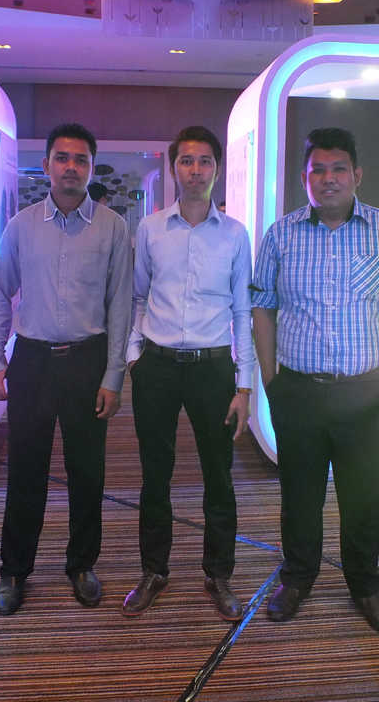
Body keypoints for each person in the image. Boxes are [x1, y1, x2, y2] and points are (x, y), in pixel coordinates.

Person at [250, 127, 379, 635]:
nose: (328, 179)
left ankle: (365, 586)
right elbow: (262, 308)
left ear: (357, 175)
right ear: (304, 178)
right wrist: (271, 381)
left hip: (367, 392)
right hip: (298, 390)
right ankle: (297, 577)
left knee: (361, 496)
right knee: (299, 494)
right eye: (318, 170)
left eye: (338, 169)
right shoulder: (281, 234)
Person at [0, 122, 132, 616]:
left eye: (81, 159)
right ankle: (14, 570)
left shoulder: (113, 228)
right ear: (46, 165)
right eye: (62, 158)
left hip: (88, 360)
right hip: (32, 360)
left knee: (87, 472)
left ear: (91, 167)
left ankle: (81, 565)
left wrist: (113, 375)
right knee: (25, 469)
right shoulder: (21, 226)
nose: (71, 167)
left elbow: (120, 306)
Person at [121, 125, 254, 621]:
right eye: (186, 161)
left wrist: (245, 385)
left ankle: (218, 574)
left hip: (213, 368)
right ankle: (153, 570)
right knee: (154, 474)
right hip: (156, 367)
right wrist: (134, 356)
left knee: (219, 475)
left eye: (204, 162)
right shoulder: (151, 229)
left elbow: (242, 311)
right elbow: (137, 296)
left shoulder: (235, 234)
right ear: (173, 167)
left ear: (217, 169)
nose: (195, 171)